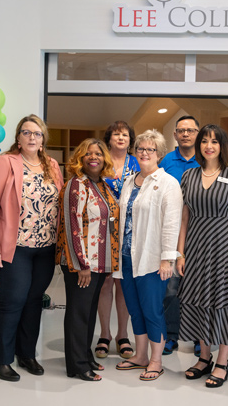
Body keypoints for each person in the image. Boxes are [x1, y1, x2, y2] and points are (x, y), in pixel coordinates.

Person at [0, 114, 64, 382]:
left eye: (37, 133)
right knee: (12, 301)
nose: (32, 137)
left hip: (45, 247)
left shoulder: (52, 165)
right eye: (26, 132)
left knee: (34, 302)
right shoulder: (6, 162)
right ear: (18, 137)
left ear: (43, 138)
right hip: (14, 246)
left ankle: (26, 354)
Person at [176, 124, 228, 388]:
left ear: (222, 146)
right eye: (205, 141)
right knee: (197, 301)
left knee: (223, 303)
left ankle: (222, 361)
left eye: (215, 141)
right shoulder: (189, 176)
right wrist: (180, 252)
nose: (209, 145)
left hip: (223, 249)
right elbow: (184, 218)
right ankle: (204, 357)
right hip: (195, 249)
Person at [114, 130, 182, 382]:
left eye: (150, 149)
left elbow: (172, 223)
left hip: (152, 259)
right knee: (134, 309)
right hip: (127, 257)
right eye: (140, 148)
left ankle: (156, 360)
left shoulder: (168, 183)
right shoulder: (130, 181)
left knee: (152, 310)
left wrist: (167, 258)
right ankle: (140, 355)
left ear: (159, 154)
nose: (144, 153)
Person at [56, 138, 119, 382]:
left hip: (99, 263)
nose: (94, 157)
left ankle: (85, 355)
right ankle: (77, 366)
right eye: (88, 154)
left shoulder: (102, 185)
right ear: (80, 158)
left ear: (105, 159)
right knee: (78, 312)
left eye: (99, 154)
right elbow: (71, 226)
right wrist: (81, 265)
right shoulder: (76, 184)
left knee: (89, 312)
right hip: (81, 263)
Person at [95, 121, 139, 360]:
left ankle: (123, 335)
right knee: (105, 283)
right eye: (116, 134)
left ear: (130, 140)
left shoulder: (137, 162)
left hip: (131, 230)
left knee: (124, 284)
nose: (121, 138)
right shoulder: (100, 160)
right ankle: (104, 334)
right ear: (108, 138)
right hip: (103, 229)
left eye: (125, 134)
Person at [158, 115, 201, 356]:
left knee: (195, 288)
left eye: (191, 130)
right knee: (171, 290)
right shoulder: (165, 162)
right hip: (173, 234)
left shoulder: (205, 161)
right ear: (175, 135)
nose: (186, 134)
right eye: (181, 130)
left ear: (198, 134)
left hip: (199, 234)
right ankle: (170, 336)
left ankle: (197, 337)